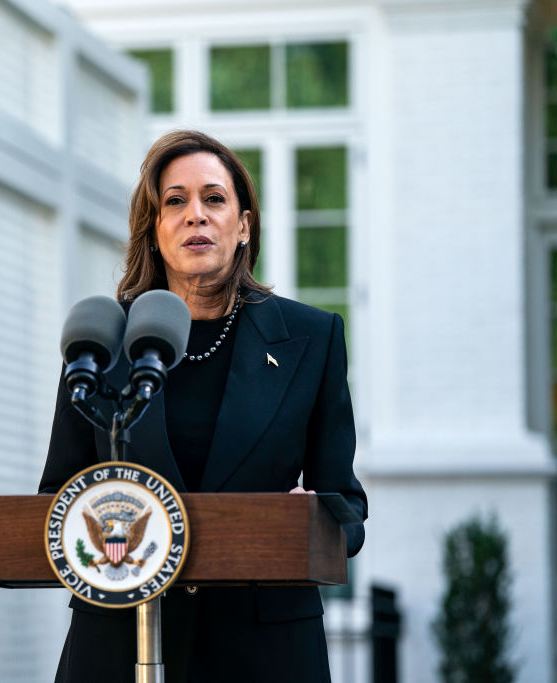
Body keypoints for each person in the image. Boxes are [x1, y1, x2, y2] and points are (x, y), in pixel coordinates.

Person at [38, 130, 367, 682]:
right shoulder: (101, 341)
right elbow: (55, 495)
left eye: (214, 199)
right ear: (155, 231)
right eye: (175, 201)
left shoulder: (312, 339)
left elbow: (349, 510)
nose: (196, 215)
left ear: (243, 226)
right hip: (118, 643)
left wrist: (311, 517)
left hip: (263, 649)